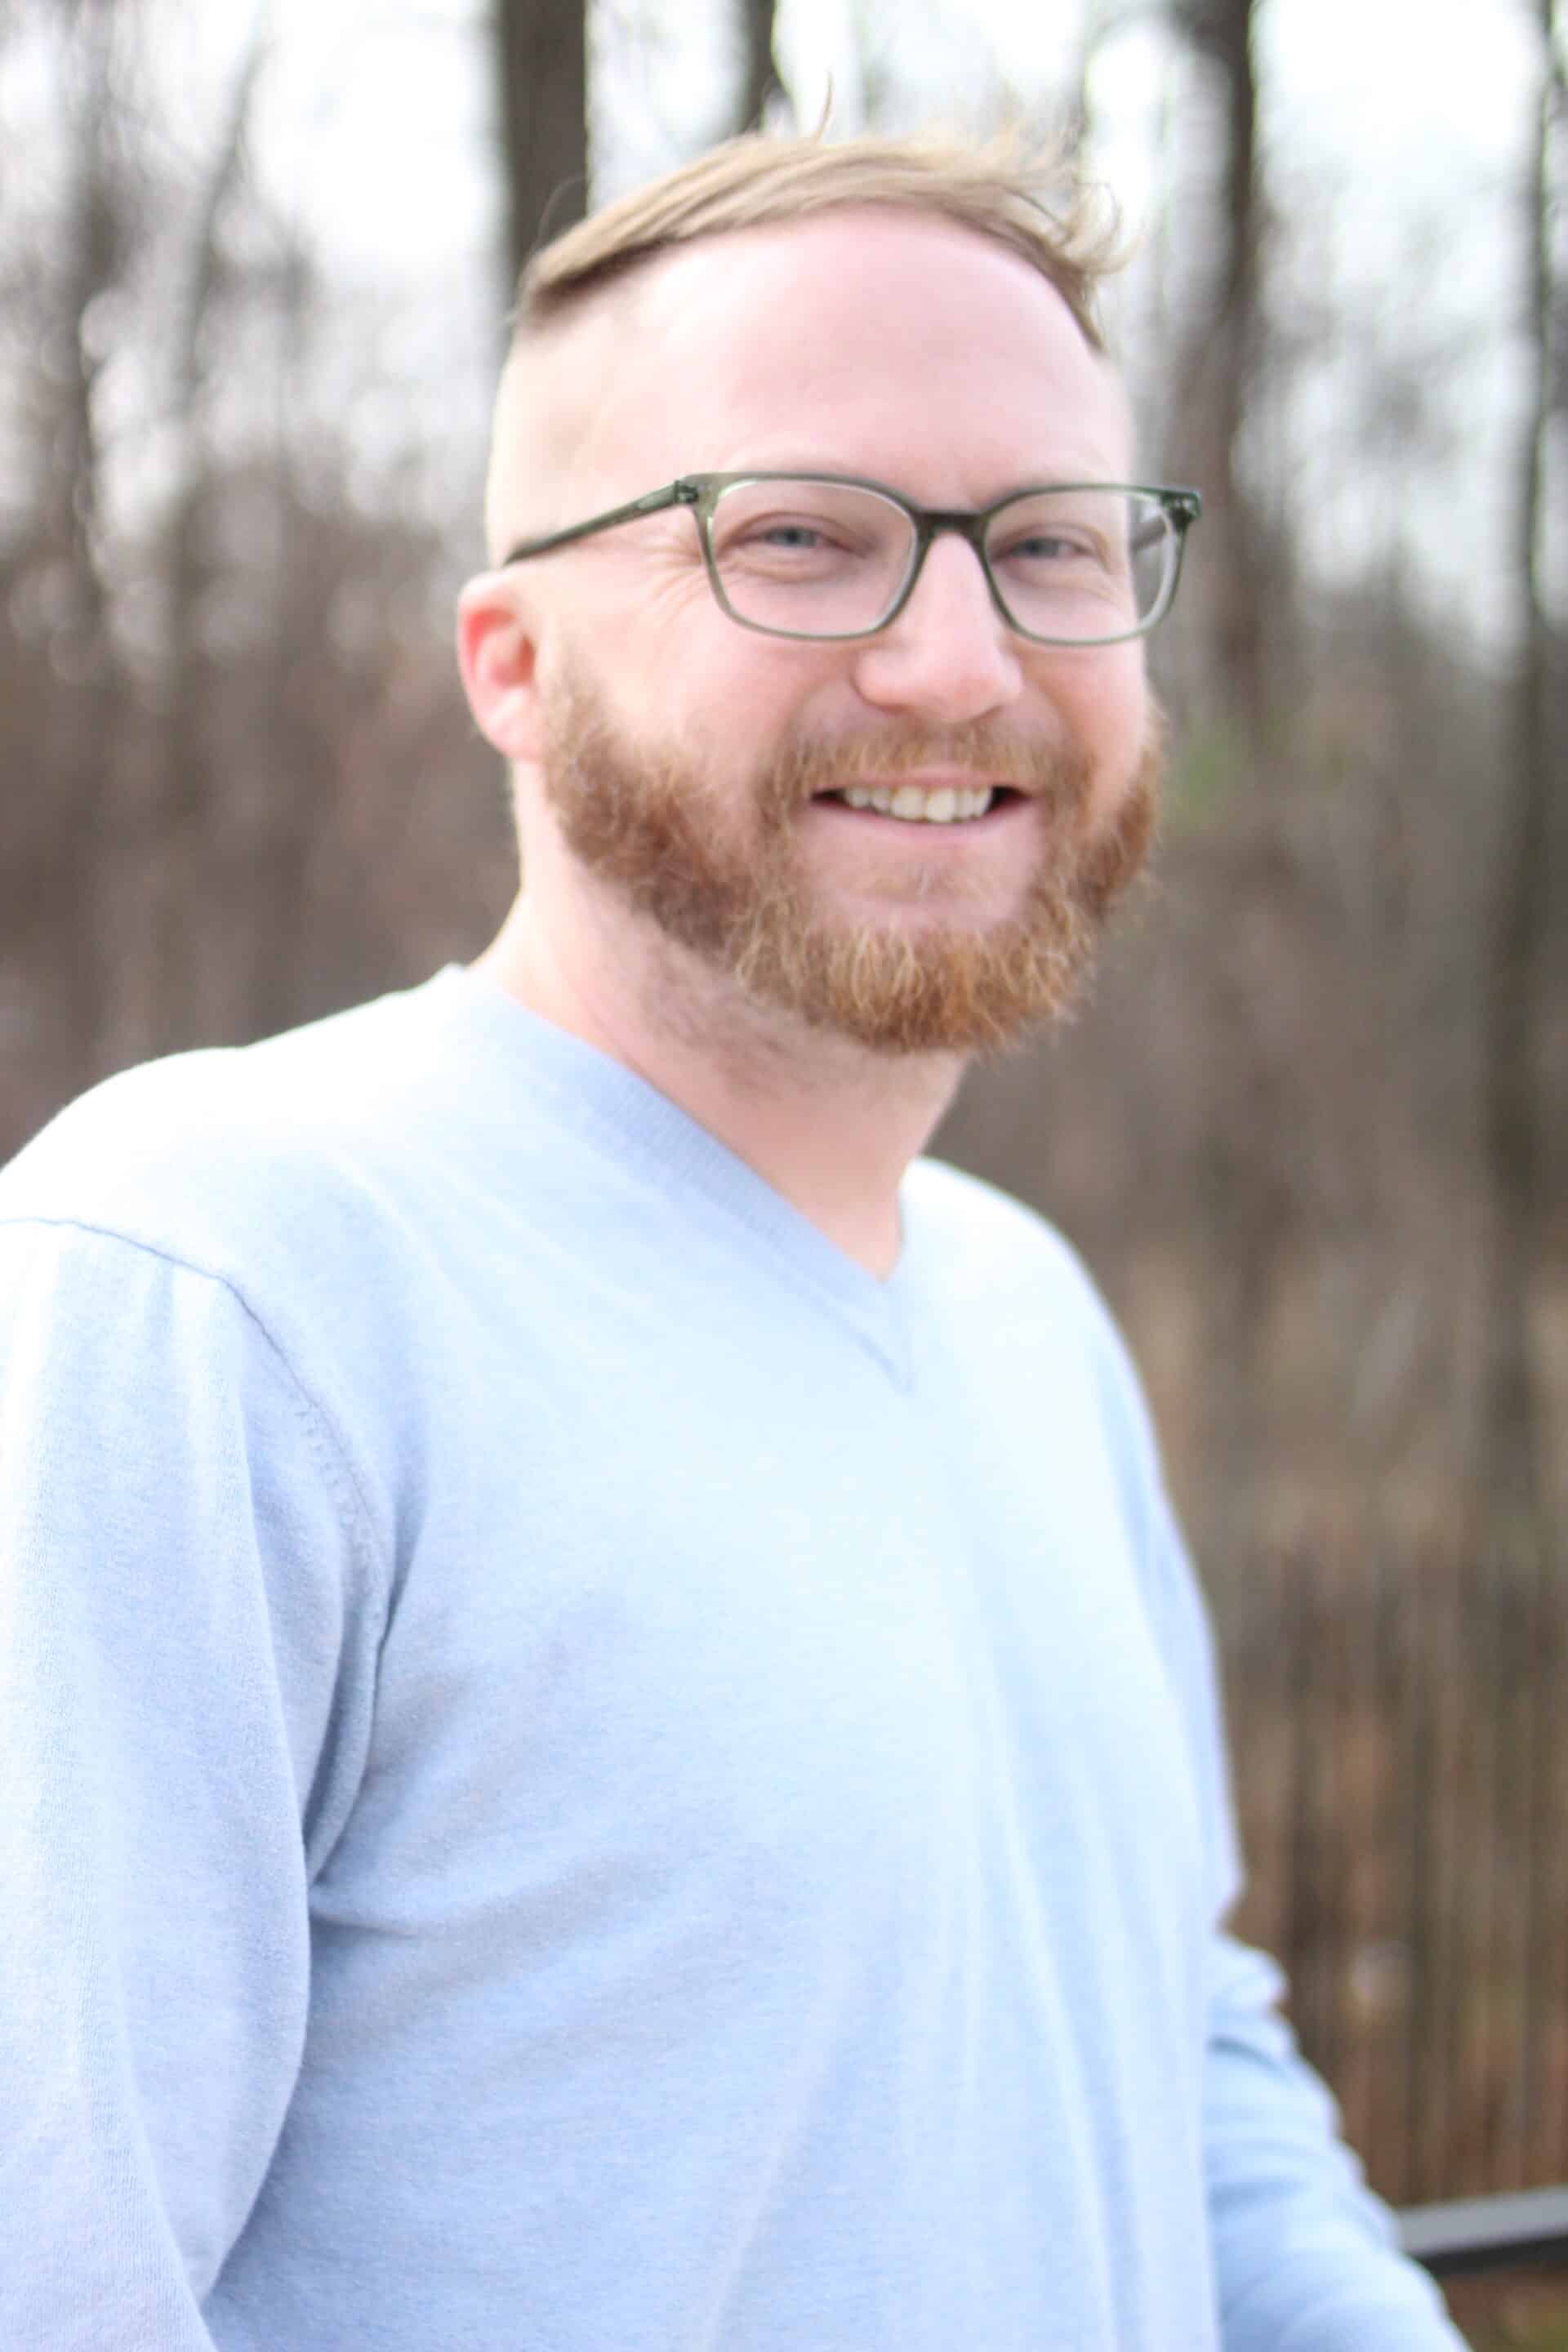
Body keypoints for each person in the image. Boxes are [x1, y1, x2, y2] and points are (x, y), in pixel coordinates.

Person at [0, 132, 1465, 2351]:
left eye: (1055, 544)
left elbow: (1159, 2051)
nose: (954, 660)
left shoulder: (1029, 1318)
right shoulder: (217, 1289)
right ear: (509, 658)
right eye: (800, 536)